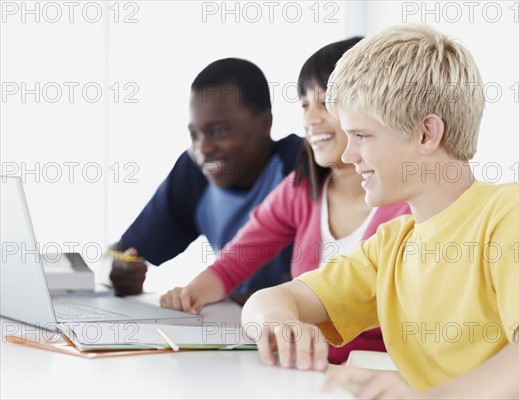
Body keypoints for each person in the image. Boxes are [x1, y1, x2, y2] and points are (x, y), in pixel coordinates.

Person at [241, 25, 519, 399]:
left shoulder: (512, 213)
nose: (347, 155)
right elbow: (272, 300)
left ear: (426, 134)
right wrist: (276, 321)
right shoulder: (390, 245)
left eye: (362, 136)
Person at [159, 38, 411, 364]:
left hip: (380, 378)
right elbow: (239, 257)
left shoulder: (409, 206)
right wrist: (194, 293)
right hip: (307, 370)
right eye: (305, 104)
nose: (312, 119)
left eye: (326, 103)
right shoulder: (302, 187)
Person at [109, 58, 303, 298]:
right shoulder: (195, 171)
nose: (204, 148)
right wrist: (121, 270)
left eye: (220, 132)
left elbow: (307, 284)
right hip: (229, 324)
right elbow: (124, 251)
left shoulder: (303, 165)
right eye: (195, 135)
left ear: (265, 123)